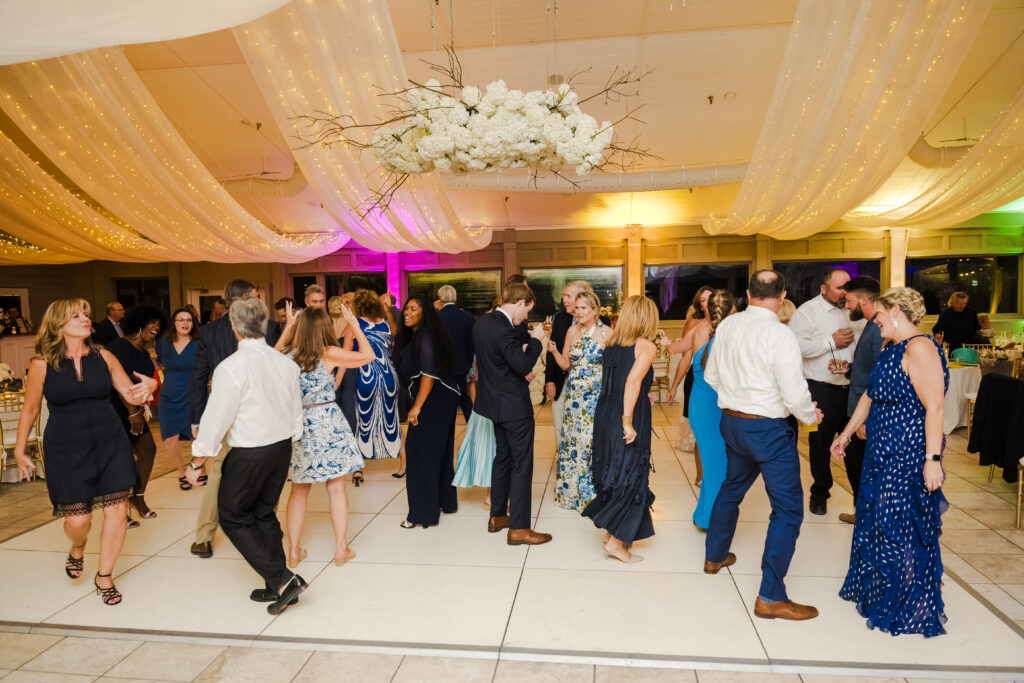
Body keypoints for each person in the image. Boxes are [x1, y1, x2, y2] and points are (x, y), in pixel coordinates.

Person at [13, 298, 156, 606]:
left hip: (110, 442)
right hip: (66, 448)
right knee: (78, 521)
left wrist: (150, 387)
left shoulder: (103, 356)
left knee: (117, 510)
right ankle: (78, 547)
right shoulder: (42, 364)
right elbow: (30, 409)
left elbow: (129, 393)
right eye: (76, 315)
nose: (85, 319)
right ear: (58, 324)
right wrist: (20, 449)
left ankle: (104, 577)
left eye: (86, 314)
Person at [703, 270, 822, 621]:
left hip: (732, 422)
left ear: (748, 292)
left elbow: (710, 376)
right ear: (783, 296)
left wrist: (738, 397)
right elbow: (794, 392)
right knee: (788, 510)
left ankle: (714, 557)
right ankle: (770, 596)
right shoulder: (780, 334)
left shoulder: (728, 325)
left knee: (731, 488)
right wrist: (810, 416)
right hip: (768, 429)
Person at [830, 287, 949, 636]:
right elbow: (871, 394)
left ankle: (908, 602)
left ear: (896, 311)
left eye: (880, 315)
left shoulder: (920, 347)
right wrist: (846, 434)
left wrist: (932, 459)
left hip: (907, 451)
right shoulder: (890, 346)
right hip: (880, 450)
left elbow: (935, 406)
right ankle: (883, 591)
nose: (876, 322)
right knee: (878, 519)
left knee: (901, 523)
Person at [185, 297, 306, 615]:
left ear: (234, 327)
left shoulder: (231, 368)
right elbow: (296, 411)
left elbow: (216, 418)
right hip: (281, 448)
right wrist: (292, 446)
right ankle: (275, 583)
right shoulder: (285, 363)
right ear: (265, 324)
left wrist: (198, 461)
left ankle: (284, 580)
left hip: (250, 451)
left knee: (232, 516)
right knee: (264, 514)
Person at [188, 278, 279, 559]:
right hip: (259, 409)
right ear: (243, 298)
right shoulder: (268, 326)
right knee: (265, 470)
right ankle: (262, 530)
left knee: (219, 470)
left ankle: (203, 537)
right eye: (256, 296)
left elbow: (199, 377)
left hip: (225, 408)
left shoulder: (209, 330)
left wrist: (197, 420)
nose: (259, 301)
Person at [279, 305, 374, 568]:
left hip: (299, 423)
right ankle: (341, 549)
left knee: (299, 489)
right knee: (336, 487)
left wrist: (287, 328)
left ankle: (294, 551)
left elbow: (267, 359)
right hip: (328, 421)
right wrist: (354, 325)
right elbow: (368, 356)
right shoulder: (328, 353)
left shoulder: (287, 355)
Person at [473, 280, 551, 545]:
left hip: (493, 404)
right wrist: (536, 341)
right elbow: (523, 364)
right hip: (514, 407)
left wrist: (524, 343)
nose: (525, 316)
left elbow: (500, 359)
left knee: (502, 458)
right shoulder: (504, 330)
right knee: (521, 464)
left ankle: (497, 516)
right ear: (519, 303)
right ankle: (519, 528)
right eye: (526, 310)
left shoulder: (483, 323)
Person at [582, 295, 659, 562]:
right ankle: (615, 543)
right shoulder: (645, 345)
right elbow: (632, 382)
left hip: (605, 411)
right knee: (632, 474)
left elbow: (620, 380)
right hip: (628, 413)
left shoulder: (612, 342)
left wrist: (643, 394)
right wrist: (628, 421)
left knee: (613, 471)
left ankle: (612, 534)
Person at [788, 267, 856, 516]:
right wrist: (831, 342)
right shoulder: (807, 312)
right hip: (820, 390)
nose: (844, 292)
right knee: (819, 444)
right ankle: (820, 492)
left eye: (847, 287)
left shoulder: (855, 310)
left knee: (856, 445)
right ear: (824, 289)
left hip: (853, 389)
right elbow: (795, 347)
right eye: (839, 288)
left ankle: (860, 500)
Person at [395, 297, 461, 528]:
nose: (407, 312)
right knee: (437, 452)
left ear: (425, 313)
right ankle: (444, 502)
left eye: (413, 309)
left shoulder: (425, 336)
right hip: (442, 398)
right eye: (405, 308)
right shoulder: (418, 336)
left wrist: (417, 406)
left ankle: (421, 515)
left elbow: (429, 374)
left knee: (419, 453)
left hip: (434, 399)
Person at [547, 289, 610, 511]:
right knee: (572, 442)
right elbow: (566, 364)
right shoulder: (572, 331)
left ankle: (593, 495)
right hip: (574, 398)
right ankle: (571, 494)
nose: (579, 312)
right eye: (577, 308)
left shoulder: (608, 334)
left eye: (583, 308)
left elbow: (614, 367)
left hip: (596, 397)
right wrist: (554, 352)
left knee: (591, 442)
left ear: (595, 310)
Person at [107, 305, 167, 522]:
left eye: (158, 324)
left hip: (135, 409)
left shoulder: (144, 351)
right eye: (151, 322)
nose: (155, 327)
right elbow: (117, 382)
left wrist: (140, 409)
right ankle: (119, 510)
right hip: (115, 410)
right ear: (139, 323)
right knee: (120, 460)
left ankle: (137, 497)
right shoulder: (119, 347)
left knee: (148, 451)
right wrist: (133, 414)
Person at [687, 290, 735, 531]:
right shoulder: (721, 338)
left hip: (702, 406)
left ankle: (704, 514)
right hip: (710, 408)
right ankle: (714, 520)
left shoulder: (715, 334)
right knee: (719, 466)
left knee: (714, 464)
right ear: (732, 310)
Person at [838, 276, 883, 524]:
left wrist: (867, 419)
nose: (846, 305)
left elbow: (880, 375)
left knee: (862, 466)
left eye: (849, 300)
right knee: (857, 465)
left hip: (866, 413)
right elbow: (869, 367)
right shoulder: (870, 323)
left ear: (864, 299)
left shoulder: (878, 327)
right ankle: (863, 512)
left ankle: (866, 516)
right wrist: (850, 368)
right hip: (859, 408)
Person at [452, 297, 504, 502]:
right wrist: (476, 407)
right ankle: (491, 493)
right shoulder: (480, 348)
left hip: (501, 402)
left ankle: (497, 492)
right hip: (485, 405)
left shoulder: (506, 341)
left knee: (498, 448)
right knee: (489, 448)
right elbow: (471, 381)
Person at [666, 286, 713, 484]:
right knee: (702, 431)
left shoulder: (727, 324)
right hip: (700, 380)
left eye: (711, 298)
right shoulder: (695, 324)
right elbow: (685, 357)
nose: (708, 303)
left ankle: (718, 473)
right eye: (703, 300)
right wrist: (674, 386)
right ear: (699, 304)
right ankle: (702, 475)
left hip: (722, 384)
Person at [352, 289, 401, 465]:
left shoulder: (355, 324)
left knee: (362, 419)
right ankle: (398, 458)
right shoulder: (387, 324)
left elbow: (346, 353)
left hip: (365, 376)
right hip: (389, 376)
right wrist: (388, 310)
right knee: (392, 418)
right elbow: (397, 340)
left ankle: (362, 458)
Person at [156, 308, 199, 491]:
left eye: (188, 320)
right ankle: (182, 472)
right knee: (169, 437)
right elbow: (158, 362)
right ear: (174, 323)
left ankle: (198, 467)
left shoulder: (200, 343)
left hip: (194, 393)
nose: (185, 323)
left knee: (196, 436)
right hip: (169, 394)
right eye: (181, 319)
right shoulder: (164, 342)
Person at [545, 281, 591, 445]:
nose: (564, 300)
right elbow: (552, 351)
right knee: (559, 420)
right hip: (562, 378)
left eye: (568, 296)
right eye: (563, 296)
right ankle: (562, 453)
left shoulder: (602, 322)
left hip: (588, 383)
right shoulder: (560, 319)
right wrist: (549, 380)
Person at [436, 285, 476, 421]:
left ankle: (446, 429)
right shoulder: (468, 317)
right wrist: (468, 364)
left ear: (440, 298)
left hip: (442, 367)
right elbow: (471, 344)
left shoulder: (437, 317)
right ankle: (473, 426)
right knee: (463, 396)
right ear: (455, 297)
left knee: (444, 400)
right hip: (462, 365)